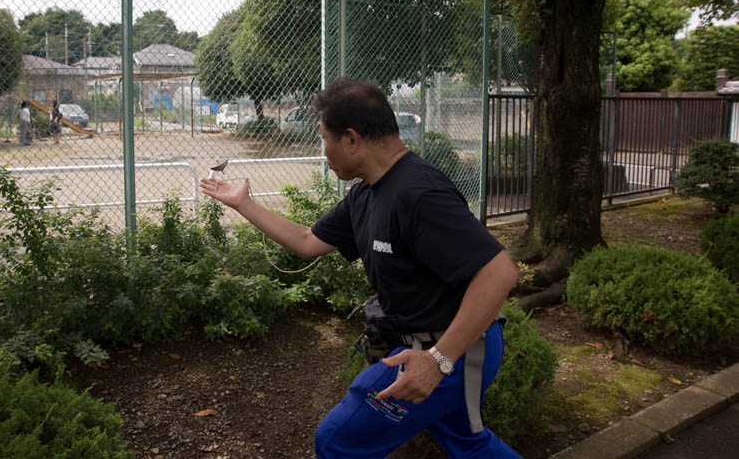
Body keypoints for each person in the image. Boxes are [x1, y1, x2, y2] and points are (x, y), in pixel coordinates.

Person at [200, 79, 521, 458]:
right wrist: (243, 204)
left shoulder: (418, 192)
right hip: (429, 345)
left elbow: (499, 273)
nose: (323, 152)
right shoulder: (365, 194)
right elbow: (307, 242)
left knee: (337, 441)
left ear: (351, 139)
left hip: (454, 349)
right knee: (468, 443)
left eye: (324, 139)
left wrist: (437, 362)